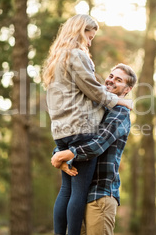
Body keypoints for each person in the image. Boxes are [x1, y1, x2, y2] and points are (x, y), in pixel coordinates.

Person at [42, 14, 131, 235]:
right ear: (81, 32)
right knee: (77, 193)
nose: (89, 43)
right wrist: (120, 100)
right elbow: (93, 89)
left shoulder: (56, 60)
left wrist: (63, 153)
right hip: (80, 130)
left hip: (61, 132)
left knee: (65, 190)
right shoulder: (77, 56)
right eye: (89, 37)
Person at [51, 63, 137, 235]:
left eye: (118, 80)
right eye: (111, 76)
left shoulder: (120, 112)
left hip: (100, 197)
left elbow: (97, 145)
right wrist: (57, 155)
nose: (111, 81)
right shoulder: (96, 107)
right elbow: (74, 137)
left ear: (127, 90)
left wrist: (65, 155)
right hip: (79, 195)